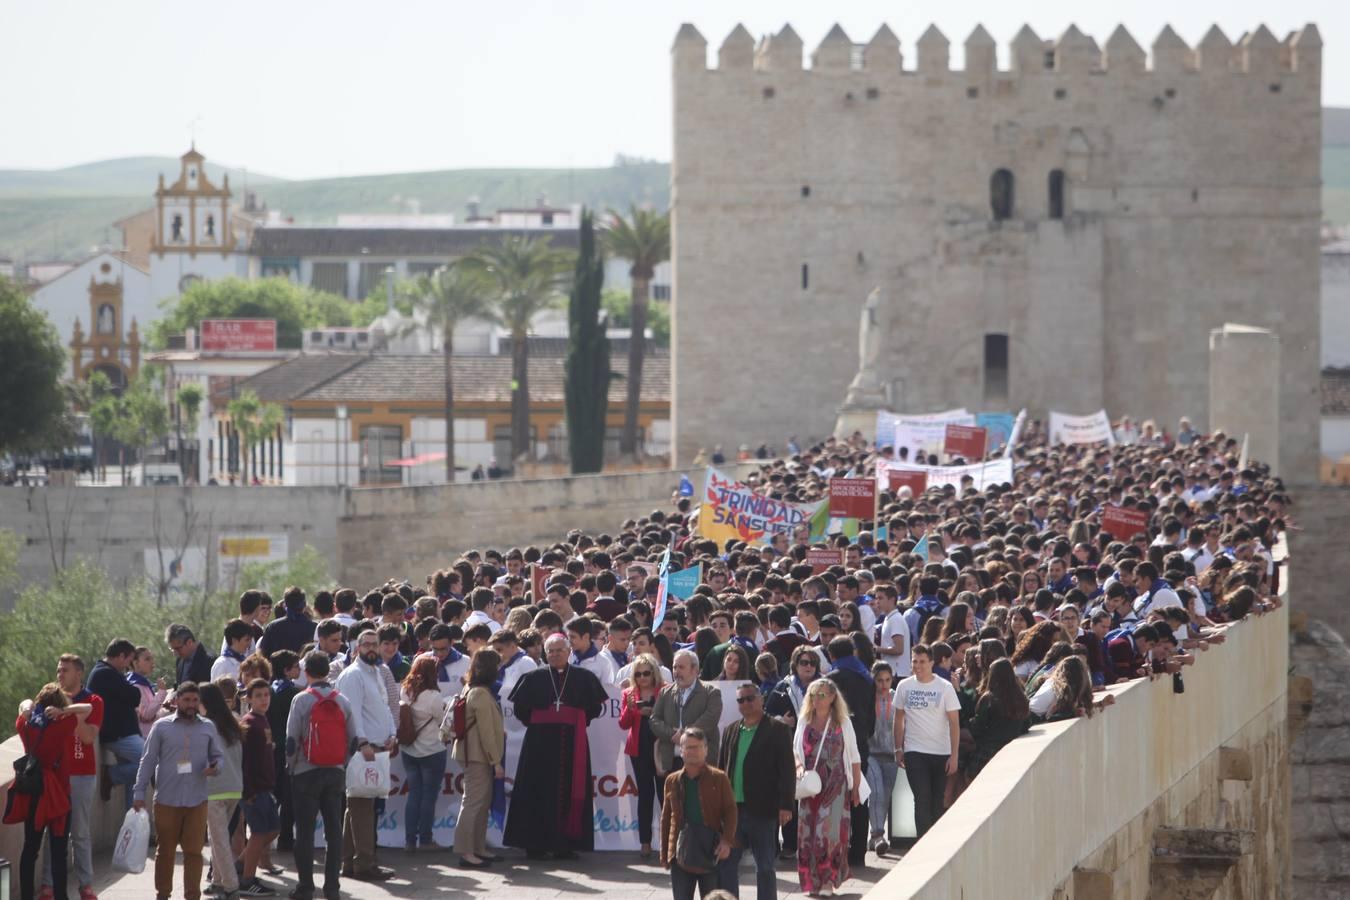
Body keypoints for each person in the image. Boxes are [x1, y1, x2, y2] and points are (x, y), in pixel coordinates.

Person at [504, 633, 607, 859]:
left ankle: (565, 845)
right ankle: (536, 844)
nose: (554, 654)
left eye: (559, 650)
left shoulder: (583, 677)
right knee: (536, 790)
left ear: (569, 651)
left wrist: (574, 720)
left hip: (573, 743)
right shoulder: (532, 678)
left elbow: (594, 709)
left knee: (571, 789)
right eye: (550, 651)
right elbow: (522, 711)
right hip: (538, 746)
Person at [133, 681, 224, 900]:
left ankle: (192, 895)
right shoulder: (161, 727)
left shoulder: (208, 727)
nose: (191, 704)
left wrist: (216, 767)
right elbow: (147, 761)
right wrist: (138, 793)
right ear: (176, 701)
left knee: (194, 852)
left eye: (195, 700)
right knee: (165, 852)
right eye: (186, 700)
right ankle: (163, 894)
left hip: (197, 800)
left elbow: (219, 756)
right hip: (166, 800)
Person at [5, 683, 90, 900]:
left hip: (34, 794)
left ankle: (26, 896)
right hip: (59, 795)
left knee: (30, 848)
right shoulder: (64, 725)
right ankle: (61, 896)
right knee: (59, 851)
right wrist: (65, 711)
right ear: (59, 705)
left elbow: (22, 708)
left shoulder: (25, 726)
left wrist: (27, 707)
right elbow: (87, 709)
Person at [286, 651, 359, 900]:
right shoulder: (343, 701)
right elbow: (354, 739)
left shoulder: (301, 700)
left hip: (306, 773)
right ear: (328, 671)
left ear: (306, 672)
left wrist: (292, 766)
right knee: (333, 832)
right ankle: (332, 888)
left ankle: (306, 887)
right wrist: (341, 763)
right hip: (335, 772)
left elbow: (291, 739)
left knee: (304, 832)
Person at [716, 683, 795, 900]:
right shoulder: (731, 730)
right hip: (733, 809)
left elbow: (787, 770)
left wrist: (786, 805)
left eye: (750, 698)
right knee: (727, 863)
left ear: (761, 699)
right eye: (741, 700)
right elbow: (722, 768)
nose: (746, 704)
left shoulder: (777, 729)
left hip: (763, 809)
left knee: (765, 866)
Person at [334, 629, 398, 882]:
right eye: (367, 644)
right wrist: (361, 743)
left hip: (379, 747)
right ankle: (365, 864)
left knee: (359, 806)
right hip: (363, 749)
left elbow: (384, 706)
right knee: (362, 809)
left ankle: (349, 862)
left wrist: (392, 733)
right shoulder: (353, 675)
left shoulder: (376, 672)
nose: (372, 648)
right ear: (358, 647)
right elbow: (352, 714)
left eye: (375, 644)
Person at [38, 653, 101, 900]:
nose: (60, 674)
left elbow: (86, 738)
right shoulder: (50, 698)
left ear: (79, 673)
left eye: (65, 670)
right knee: (51, 832)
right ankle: (47, 885)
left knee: (80, 832)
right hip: (54, 776)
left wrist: (67, 712)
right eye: (58, 670)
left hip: (82, 775)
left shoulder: (93, 700)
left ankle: (86, 885)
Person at [793, 678, 862, 898]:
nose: (817, 699)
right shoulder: (804, 720)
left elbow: (854, 756)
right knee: (808, 834)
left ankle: (828, 880)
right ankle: (812, 880)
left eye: (822, 695)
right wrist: (799, 768)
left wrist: (856, 787)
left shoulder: (842, 722)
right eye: (813, 695)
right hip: (810, 785)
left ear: (833, 697)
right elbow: (795, 751)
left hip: (835, 785)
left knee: (829, 834)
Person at [892, 644, 961, 838]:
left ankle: (936, 842)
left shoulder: (945, 687)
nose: (918, 665)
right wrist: (898, 748)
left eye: (922, 661)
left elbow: (954, 723)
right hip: (915, 751)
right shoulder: (904, 686)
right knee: (921, 798)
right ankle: (921, 842)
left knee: (936, 800)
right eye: (915, 661)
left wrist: (954, 756)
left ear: (931, 662)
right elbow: (898, 719)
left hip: (941, 752)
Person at [659, 729, 736, 900]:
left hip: (710, 852)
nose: (693, 751)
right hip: (680, 856)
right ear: (681, 750)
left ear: (706, 750)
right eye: (688, 747)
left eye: (697, 747)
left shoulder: (719, 778)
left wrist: (726, 841)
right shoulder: (672, 780)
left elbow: (731, 811)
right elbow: (666, 819)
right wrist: (665, 853)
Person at [451, 649, 506, 868]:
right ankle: (465, 851)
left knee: (481, 803)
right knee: (474, 803)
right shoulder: (481, 693)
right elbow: (486, 732)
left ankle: (478, 848)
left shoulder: (471, 688)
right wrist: (496, 761)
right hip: (477, 755)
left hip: (473, 753)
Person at [824, 635, 874, 867]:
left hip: (835, 744)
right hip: (860, 742)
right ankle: (858, 852)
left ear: (832, 655)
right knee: (858, 794)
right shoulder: (866, 676)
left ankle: (837, 850)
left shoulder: (831, 679)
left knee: (834, 796)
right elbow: (871, 713)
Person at [399, 655, 449, 853]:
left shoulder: (405, 690)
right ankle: (426, 839)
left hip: (409, 749)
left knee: (414, 795)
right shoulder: (433, 696)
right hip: (431, 750)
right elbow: (441, 720)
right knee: (428, 796)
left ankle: (410, 840)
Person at [618, 652, 666, 858]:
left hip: (661, 748)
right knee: (645, 795)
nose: (642, 678)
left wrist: (653, 711)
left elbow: (671, 718)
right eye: (638, 674)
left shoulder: (664, 691)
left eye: (646, 673)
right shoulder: (629, 693)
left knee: (666, 795)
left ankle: (668, 841)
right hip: (638, 749)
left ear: (654, 673)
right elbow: (623, 724)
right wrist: (635, 711)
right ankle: (645, 842)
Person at [199, 682, 244, 899]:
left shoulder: (206, 726)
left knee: (218, 840)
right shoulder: (232, 723)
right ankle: (217, 881)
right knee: (219, 836)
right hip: (235, 788)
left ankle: (230, 885)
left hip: (214, 788)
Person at [86, 639, 140, 810]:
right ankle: (111, 775)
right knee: (150, 762)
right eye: (129, 660)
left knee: (135, 781)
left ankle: (131, 830)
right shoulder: (105, 674)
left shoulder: (110, 673)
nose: (129, 666)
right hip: (119, 735)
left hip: (123, 733)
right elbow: (134, 696)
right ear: (121, 656)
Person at [239, 679, 281, 897]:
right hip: (254, 790)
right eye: (258, 696)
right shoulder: (249, 723)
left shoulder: (262, 720)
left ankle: (239, 866)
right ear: (248, 699)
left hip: (266, 787)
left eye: (266, 695)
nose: (264, 699)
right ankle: (247, 880)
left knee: (273, 829)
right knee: (258, 833)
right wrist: (248, 792)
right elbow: (244, 761)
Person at [652, 650, 723, 776]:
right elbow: (654, 720)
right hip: (671, 761)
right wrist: (672, 734)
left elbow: (711, 718)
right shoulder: (665, 693)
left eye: (681, 667)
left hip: (701, 761)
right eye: (674, 667)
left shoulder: (711, 692)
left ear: (695, 669)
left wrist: (685, 735)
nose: (676, 671)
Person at [966, 658, 1031, 778]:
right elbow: (1026, 724)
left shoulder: (989, 698)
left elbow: (978, 727)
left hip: (988, 753)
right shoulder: (1021, 698)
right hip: (1013, 751)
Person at [865, 662, 898, 855]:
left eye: (887, 680)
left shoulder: (897, 696)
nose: (884, 684)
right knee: (875, 792)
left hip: (892, 753)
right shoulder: (867, 699)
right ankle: (878, 835)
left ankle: (875, 836)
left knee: (885, 796)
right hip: (871, 753)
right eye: (879, 680)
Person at [259, 587, 314, 656]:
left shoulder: (273, 627)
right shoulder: (314, 627)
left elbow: (262, 654)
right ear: (304, 604)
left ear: (285, 605)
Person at [130, 645, 169, 737]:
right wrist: (162, 692)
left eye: (152, 658)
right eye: (147, 659)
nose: (152, 662)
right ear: (136, 663)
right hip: (145, 737)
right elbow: (146, 715)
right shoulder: (135, 685)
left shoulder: (144, 684)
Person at [168, 623, 215, 687]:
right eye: (172, 649)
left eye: (178, 648)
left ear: (189, 642)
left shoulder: (209, 661)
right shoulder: (180, 661)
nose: (175, 653)